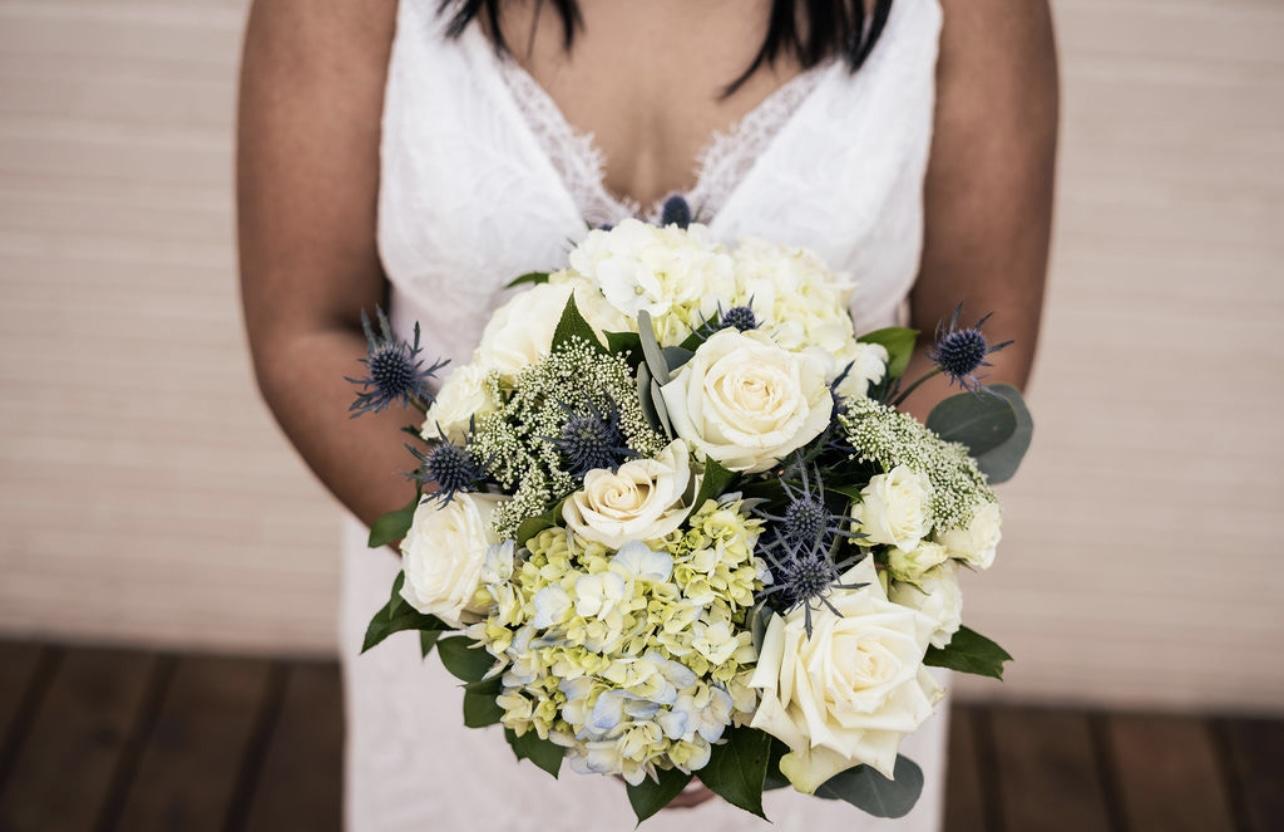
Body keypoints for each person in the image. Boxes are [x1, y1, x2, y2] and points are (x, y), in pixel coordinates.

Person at [237, 1, 1056, 828]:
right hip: (475, 648)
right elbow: (306, 332)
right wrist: (534, 620)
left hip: (817, 671)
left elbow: (975, 346)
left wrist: (755, 658)